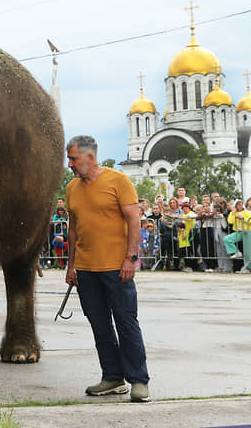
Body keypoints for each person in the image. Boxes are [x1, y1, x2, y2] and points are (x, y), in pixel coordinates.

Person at [64, 135, 150, 402]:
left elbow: (134, 221)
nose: (70, 164)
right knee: (100, 325)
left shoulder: (118, 181)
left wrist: (130, 258)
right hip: (86, 270)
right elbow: (73, 228)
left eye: (73, 159)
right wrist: (71, 265)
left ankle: (138, 380)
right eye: (69, 159)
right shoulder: (71, 188)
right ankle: (113, 377)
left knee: (126, 323)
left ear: (90, 157)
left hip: (117, 268)